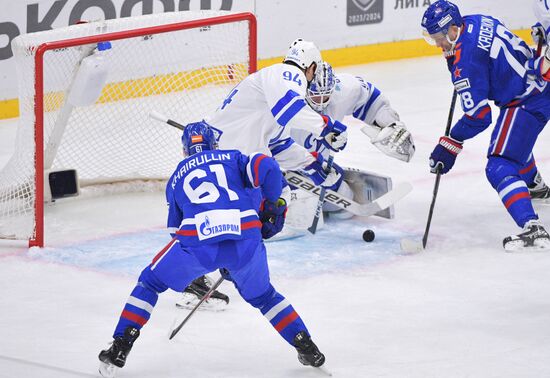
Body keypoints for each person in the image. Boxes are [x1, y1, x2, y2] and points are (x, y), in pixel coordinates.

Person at [98, 122, 326, 377]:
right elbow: (269, 167)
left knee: (150, 283)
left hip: (198, 243)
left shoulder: (176, 178)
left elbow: (175, 230)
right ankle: (306, 346)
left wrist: (212, 258)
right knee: (265, 297)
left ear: (185, 151)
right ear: (214, 144)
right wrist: (275, 206)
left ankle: (121, 345)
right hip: (246, 241)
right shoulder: (233, 158)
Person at [178, 38, 349, 307]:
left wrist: (310, 163)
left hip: (231, 159)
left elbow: (278, 144)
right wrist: (326, 127)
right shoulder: (285, 75)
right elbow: (290, 108)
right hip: (222, 158)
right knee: (224, 219)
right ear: (311, 66)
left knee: (250, 217)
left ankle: (218, 267)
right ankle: (194, 278)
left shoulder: (277, 88)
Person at [421, 0, 550, 251]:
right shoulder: (476, 20)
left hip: (527, 100)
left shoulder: (465, 62)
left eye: (438, 37)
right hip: (538, 82)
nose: (437, 44)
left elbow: (479, 116)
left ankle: (532, 228)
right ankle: (535, 187)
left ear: (453, 30)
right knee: (512, 143)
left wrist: (451, 142)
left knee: (499, 165)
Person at [290, 61, 415, 216]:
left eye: (326, 95)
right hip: (285, 166)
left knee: (343, 198)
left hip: (314, 163)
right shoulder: (286, 104)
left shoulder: (343, 89)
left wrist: (390, 123)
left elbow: (371, 99)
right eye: (316, 97)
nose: (321, 103)